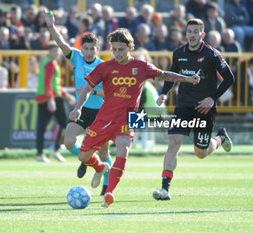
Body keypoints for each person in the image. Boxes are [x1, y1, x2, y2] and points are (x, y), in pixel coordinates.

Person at [69, 28, 200, 208]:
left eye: (121, 49)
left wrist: (188, 79)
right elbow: (87, 89)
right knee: (83, 156)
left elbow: (164, 74)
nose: (117, 53)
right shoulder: (105, 67)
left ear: (130, 47)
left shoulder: (141, 66)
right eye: (114, 49)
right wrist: (78, 108)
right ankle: (100, 167)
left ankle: (109, 192)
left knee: (123, 149)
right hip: (105, 117)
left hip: (131, 116)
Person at [152, 18, 235, 201]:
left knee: (201, 153)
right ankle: (165, 188)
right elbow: (172, 76)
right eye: (189, 31)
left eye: (196, 32)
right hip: (183, 106)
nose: (192, 35)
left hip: (204, 109)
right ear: (186, 33)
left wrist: (212, 99)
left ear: (202, 34)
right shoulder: (178, 53)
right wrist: (164, 93)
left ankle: (220, 138)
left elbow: (230, 78)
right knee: (174, 141)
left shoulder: (211, 54)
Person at [44, 8, 113, 195]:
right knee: (68, 141)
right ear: (81, 48)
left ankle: (107, 185)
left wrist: (91, 91)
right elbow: (61, 43)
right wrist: (51, 27)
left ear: (97, 50)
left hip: (101, 113)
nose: (89, 52)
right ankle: (97, 166)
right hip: (81, 110)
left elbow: (110, 93)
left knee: (104, 152)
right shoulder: (77, 58)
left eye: (92, 49)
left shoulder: (103, 66)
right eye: (86, 48)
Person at [36, 41, 76, 163]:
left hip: (43, 97)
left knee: (41, 127)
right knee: (65, 124)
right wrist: (51, 99)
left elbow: (54, 84)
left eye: (58, 50)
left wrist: (66, 95)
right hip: (52, 98)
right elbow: (49, 83)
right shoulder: (52, 63)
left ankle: (40, 154)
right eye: (55, 50)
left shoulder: (46, 62)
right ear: (50, 51)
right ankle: (55, 151)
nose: (57, 52)